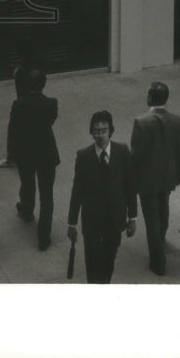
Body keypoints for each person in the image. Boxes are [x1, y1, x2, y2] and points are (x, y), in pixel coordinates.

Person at [67, 110, 137, 284]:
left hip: (115, 220)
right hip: (92, 222)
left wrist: (132, 217)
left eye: (104, 130)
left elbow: (130, 187)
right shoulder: (83, 156)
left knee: (109, 260)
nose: (100, 135)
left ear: (110, 131)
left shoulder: (122, 151)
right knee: (92, 263)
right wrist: (72, 222)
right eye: (96, 131)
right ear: (91, 132)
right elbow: (77, 191)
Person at [130, 81, 180, 276]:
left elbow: (136, 156)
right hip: (167, 177)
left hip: (147, 179)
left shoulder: (141, 122)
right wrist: (179, 174)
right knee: (164, 209)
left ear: (150, 97)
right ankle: (161, 239)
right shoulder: (177, 120)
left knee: (151, 218)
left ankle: (158, 261)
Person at [8, 68, 59, 251]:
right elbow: (51, 121)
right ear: (43, 84)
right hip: (46, 152)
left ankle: (27, 210)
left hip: (26, 152)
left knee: (27, 184)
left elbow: (13, 130)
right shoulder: (52, 103)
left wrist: (12, 154)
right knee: (47, 195)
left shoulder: (19, 104)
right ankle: (43, 237)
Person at [0, 36, 39, 168]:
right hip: (34, 102)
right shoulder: (35, 66)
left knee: (15, 131)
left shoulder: (22, 70)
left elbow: (21, 88)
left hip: (22, 103)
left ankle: (12, 159)